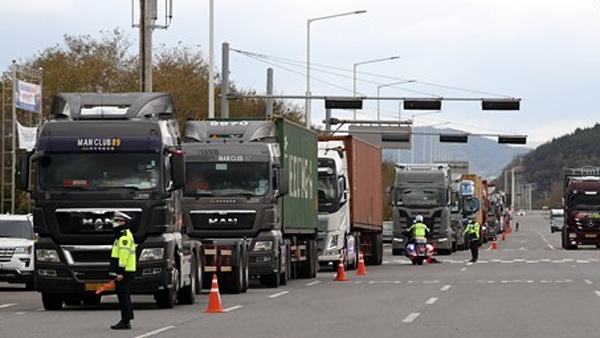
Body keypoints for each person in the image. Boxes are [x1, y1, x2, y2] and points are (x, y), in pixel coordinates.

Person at [109, 211, 136, 330]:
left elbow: (124, 256)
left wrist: (120, 272)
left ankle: (125, 321)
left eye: (117, 221)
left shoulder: (124, 237)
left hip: (125, 271)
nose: (114, 223)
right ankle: (126, 319)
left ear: (123, 222)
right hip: (125, 270)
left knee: (123, 296)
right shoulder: (121, 235)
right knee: (123, 295)